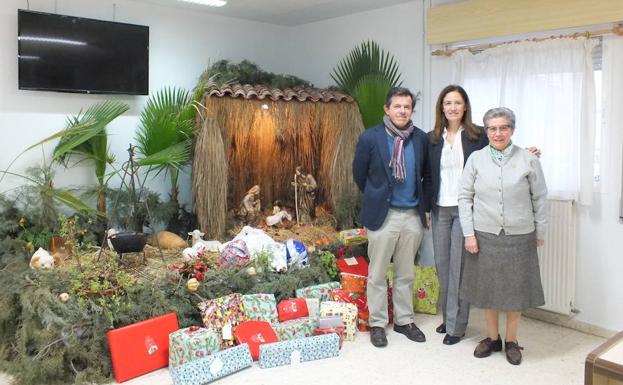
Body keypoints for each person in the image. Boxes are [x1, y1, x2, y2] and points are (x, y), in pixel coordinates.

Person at [457, 107, 547, 365]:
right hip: (484, 235)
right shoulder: (476, 159)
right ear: (487, 131)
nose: (498, 133)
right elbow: (464, 197)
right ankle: (491, 337)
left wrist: (539, 232)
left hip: (520, 234)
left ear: (512, 130)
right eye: (493, 128)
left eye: (503, 127)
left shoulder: (528, 159)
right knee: (487, 290)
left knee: (516, 291)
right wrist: (469, 234)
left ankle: (511, 341)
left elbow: (540, 198)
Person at [352, 86, 431, 348]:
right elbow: (359, 175)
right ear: (387, 108)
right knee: (376, 273)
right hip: (382, 215)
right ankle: (377, 323)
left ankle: (404, 320)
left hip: (411, 215)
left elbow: (427, 176)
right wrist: (377, 197)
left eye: (407, 107)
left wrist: (425, 208)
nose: (402, 111)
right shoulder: (370, 138)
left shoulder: (420, 139)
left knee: (405, 272)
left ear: (412, 111)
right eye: (397, 106)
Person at [426, 85, 488, 346]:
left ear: (465, 107)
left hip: (466, 210)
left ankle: (458, 326)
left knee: (459, 269)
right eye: (448, 102)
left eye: (457, 102)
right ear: (442, 107)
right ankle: (449, 317)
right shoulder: (433, 138)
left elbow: (499, 154)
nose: (452, 107)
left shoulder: (478, 136)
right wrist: (427, 208)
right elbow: (428, 175)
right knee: (443, 266)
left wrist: (525, 153)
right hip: (440, 208)